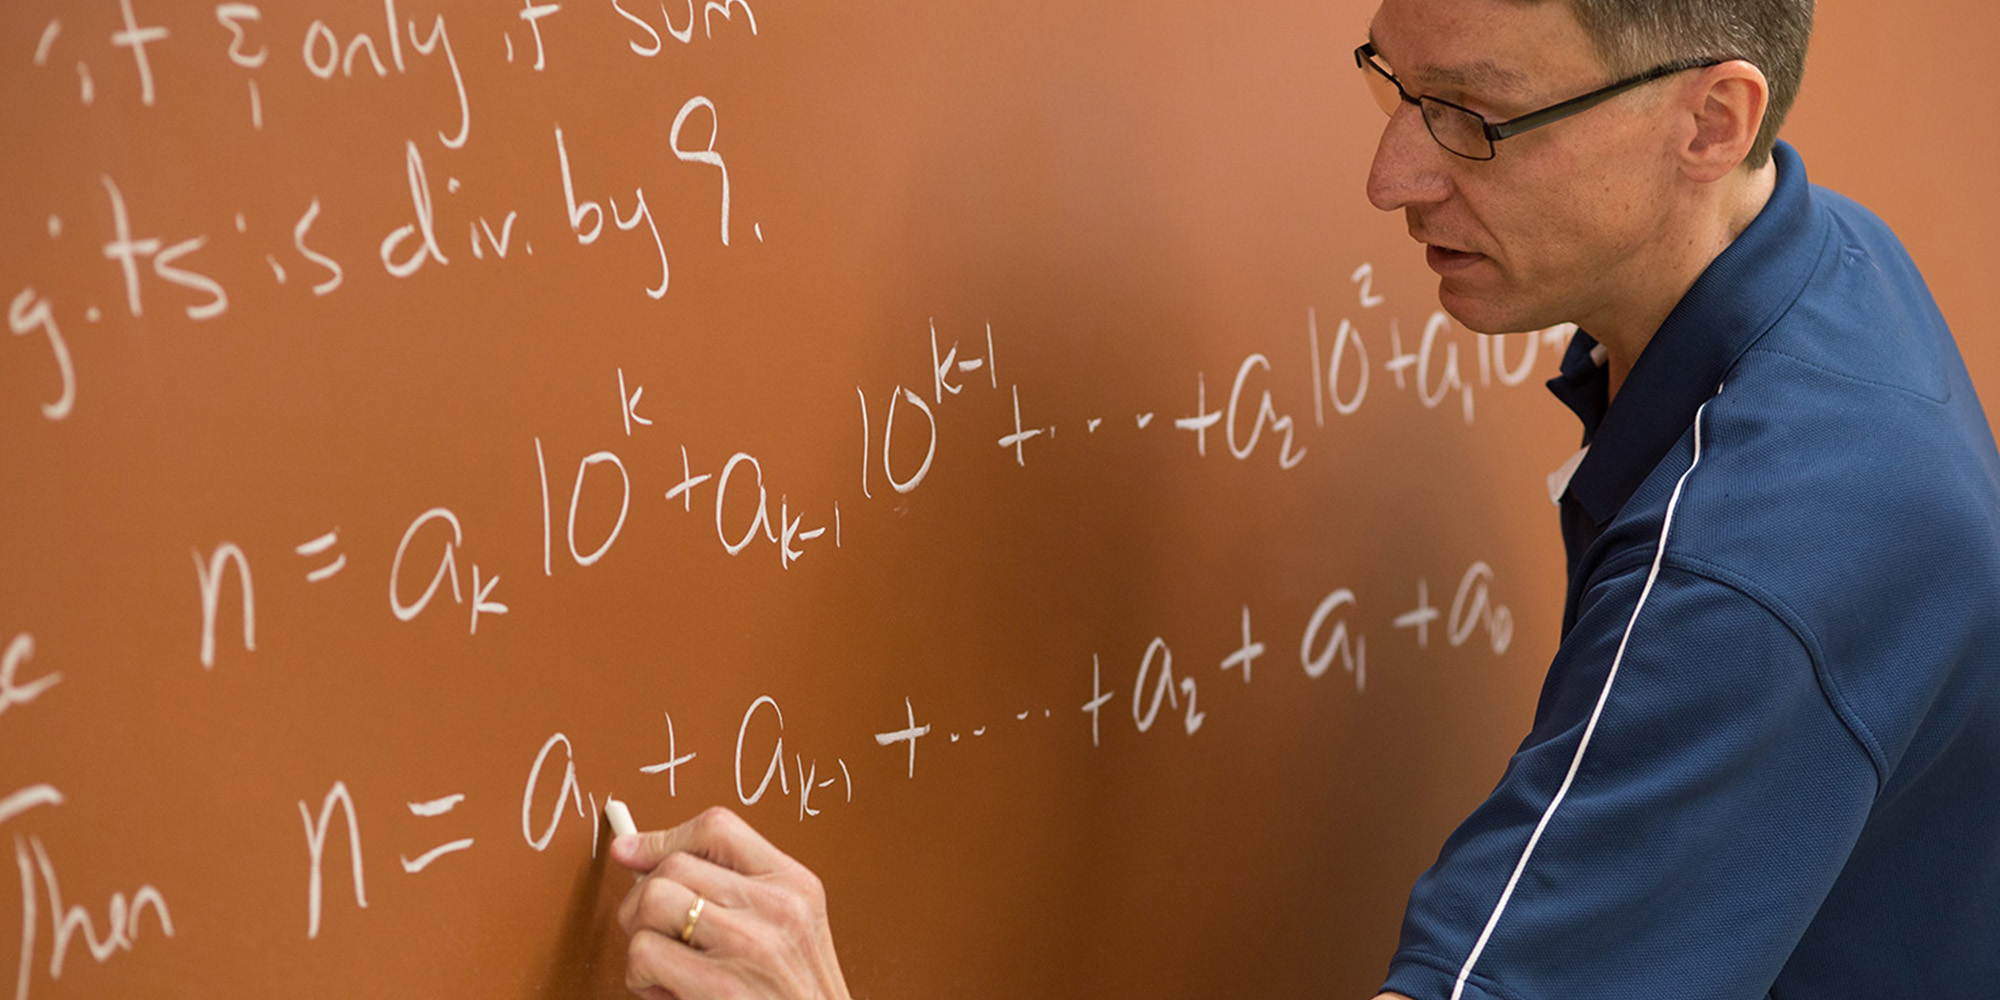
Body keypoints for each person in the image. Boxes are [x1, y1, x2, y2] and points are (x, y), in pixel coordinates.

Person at [607, 0, 2000, 996]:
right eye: (1392, 83)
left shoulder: (1755, 568)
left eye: (1474, 116)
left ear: (1710, 120)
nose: (1391, 173)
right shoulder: (1819, 268)